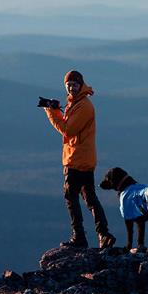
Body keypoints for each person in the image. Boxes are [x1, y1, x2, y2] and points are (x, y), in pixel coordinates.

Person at [43, 69, 115, 249]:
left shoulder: (83, 106)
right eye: (68, 85)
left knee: (71, 197)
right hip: (82, 158)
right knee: (89, 197)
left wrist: (51, 113)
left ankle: (80, 238)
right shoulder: (76, 104)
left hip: (77, 159)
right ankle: (103, 235)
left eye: (75, 85)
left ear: (81, 85)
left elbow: (68, 130)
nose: (71, 88)